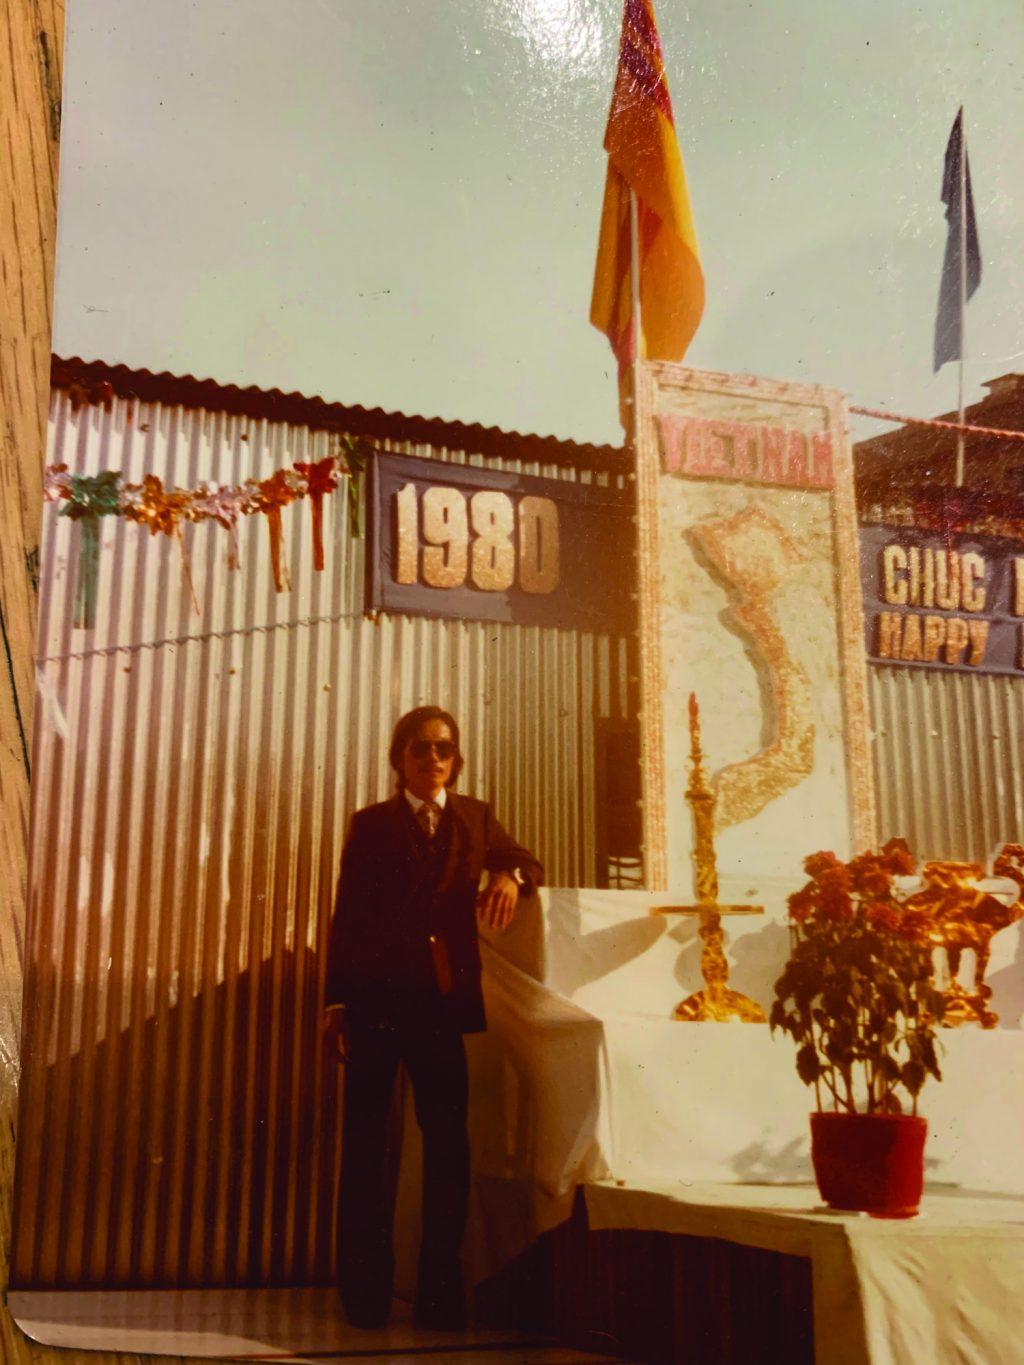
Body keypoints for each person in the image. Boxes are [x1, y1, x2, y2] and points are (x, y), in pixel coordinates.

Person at [324, 705, 542, 1331]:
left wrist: (508, 873)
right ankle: (362, 1295)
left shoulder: (475, 818)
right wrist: (336, 1002)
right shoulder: (370, 825)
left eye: (443, 748)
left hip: (440, 1009)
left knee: (449, 1150)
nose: (432, 758)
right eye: (419, 748)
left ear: (456, 758)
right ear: (400, 758)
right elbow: (349, 918)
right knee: (367, 1149)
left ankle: (439, 1294)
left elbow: (531, 860)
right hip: (373, 1006)